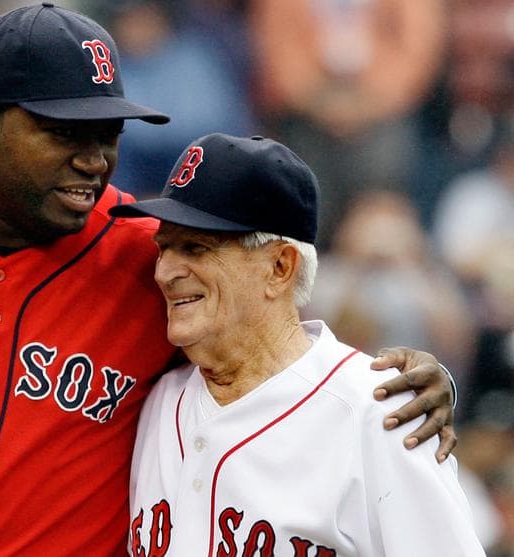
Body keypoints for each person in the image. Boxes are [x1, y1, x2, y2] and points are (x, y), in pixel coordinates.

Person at [0, 4, 456, 556]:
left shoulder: (149, 256)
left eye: (108, 132)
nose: (96, 158)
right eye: (65, 131)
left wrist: (395, 382)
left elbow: (279, 339)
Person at [110, 133, 484, 555]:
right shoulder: (155, 400)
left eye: (196, 247)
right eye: (164, 248)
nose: (165, 272)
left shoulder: (378, 413)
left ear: (279, 267)